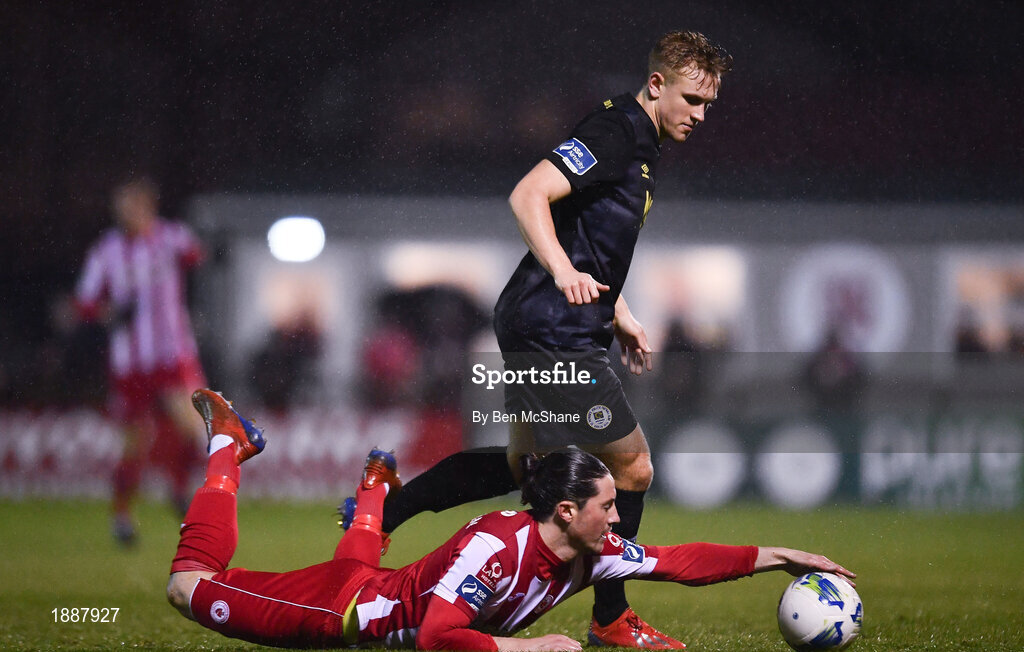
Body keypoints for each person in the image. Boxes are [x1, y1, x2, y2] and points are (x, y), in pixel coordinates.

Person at [356, 30, 734, 647]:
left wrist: (621, 313)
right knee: (632, 466)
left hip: (555, 322)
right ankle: (610, 616)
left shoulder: (645, 142)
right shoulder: (616, 131)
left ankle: (385, 508)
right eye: (691, 99)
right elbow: (529, 193)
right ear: (657, 84)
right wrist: (562, 274)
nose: (698, 115)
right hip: (552, 327)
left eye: (708, 105)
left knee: (522, 468)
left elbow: (593, 244)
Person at [169, 389, 854, 650]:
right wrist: (527, 649)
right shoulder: (495, 547)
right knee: (189, 583)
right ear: (565, 510)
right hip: (340, 616)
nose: (621, 517)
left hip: (380, 587)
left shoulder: (594, 550)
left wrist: (778, 555)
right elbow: (439, 637)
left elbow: (683, 561)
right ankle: (231, 448)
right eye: (609, 504)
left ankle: (376, 487)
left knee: (368, 562)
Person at [74, 177, 207, 545]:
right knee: (136, 440)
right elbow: (85, 303)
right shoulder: (106, 250)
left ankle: (179, 490)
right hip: (130, 363)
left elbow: (197, 255)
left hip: (172, 354)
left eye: (130, 205)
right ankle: (121, 515)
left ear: (147, 206)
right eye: (120, 207)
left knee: (193, 430)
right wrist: (108, 313)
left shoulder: (170, 237)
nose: (123, 213)